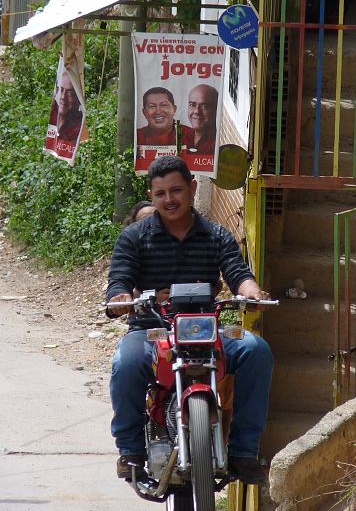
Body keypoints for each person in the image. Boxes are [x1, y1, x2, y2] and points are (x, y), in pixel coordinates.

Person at [106, 155, 272, 483]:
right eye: (161, 193)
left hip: (206, 328)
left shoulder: (217, 235)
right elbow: (119, 279)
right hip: (152, 330)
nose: (170, 199)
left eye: (177, 190)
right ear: (152, 196)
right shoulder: (134, 238)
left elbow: (238, 273)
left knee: (257, 350)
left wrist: (252, 291)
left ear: (193, 188)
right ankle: (130, 451)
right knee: (126, 362)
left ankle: (242, 451)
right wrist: (120, 297)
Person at [185, 84, 218, 155]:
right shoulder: (182, 137)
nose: (197, 111)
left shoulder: (219, 142)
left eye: (204, 106)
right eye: (192, 105)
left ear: (216, 109)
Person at [54, 69, 83, 143]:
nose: (63, 97)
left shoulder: (78, 129)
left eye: (70, 93)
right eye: (61, 90)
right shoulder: (51, 117)